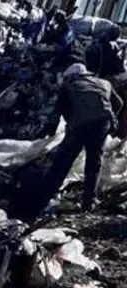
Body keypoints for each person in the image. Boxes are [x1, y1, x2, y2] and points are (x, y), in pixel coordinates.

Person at [31, 63, 122, 215]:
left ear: (71, 76)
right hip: (101, 125)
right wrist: (109, 119)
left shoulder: (69, 85)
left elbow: (56, 113)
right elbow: (119, 103)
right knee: (94, 163)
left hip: (79, 127)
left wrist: (45, 134)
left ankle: (41, 200)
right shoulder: (104, 83)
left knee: (62, 162)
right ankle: (88, 204)